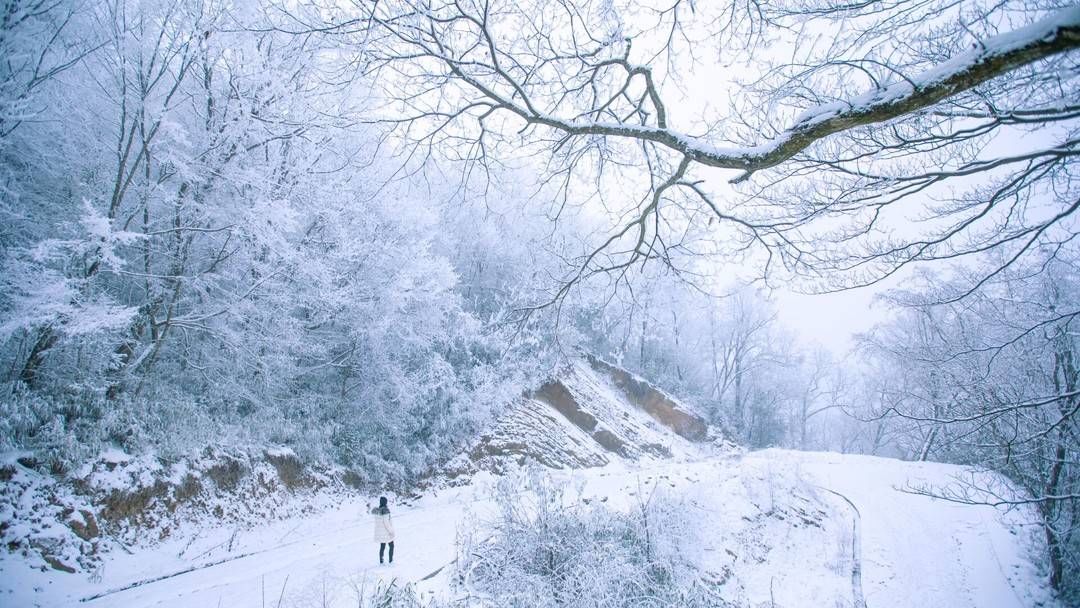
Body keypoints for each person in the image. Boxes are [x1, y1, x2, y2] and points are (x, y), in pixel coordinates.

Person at [371, 496, 395, 564]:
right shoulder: (385, 511)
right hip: (386, 532)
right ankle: (391, 561)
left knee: (382, 546)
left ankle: (381, 561)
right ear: (385, 502)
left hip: (380, 533)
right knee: (391, 545)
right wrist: (391, 531)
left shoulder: (377, 511)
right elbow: (386, 523)